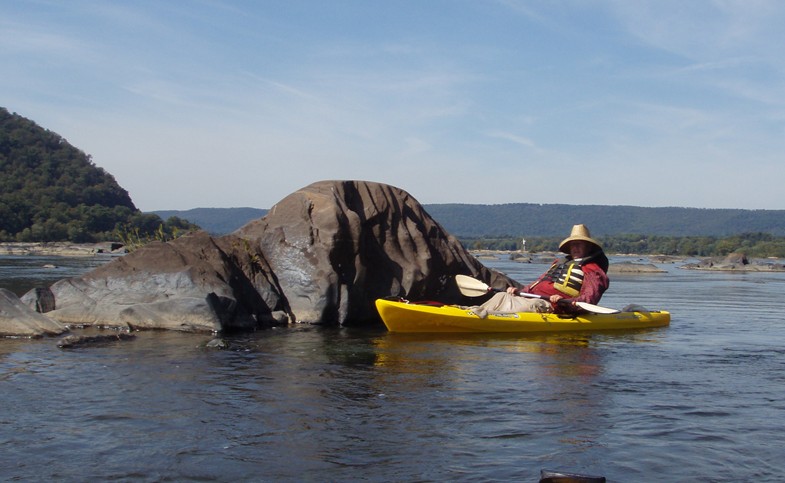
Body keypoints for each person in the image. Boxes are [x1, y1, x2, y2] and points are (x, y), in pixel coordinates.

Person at [473, 224, 610, 316]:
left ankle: (485, 317)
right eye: (572, 245)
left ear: (588, 247)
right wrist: (518, 292)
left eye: (579, 244)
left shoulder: (593, 269)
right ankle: (473, 312)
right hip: (533, 299)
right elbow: (538, 283)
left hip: (550, 306)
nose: (575, 248)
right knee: (502, 296)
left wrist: (565, 303)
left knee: (521, 305)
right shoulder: (559, 263)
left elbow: (589, 298)